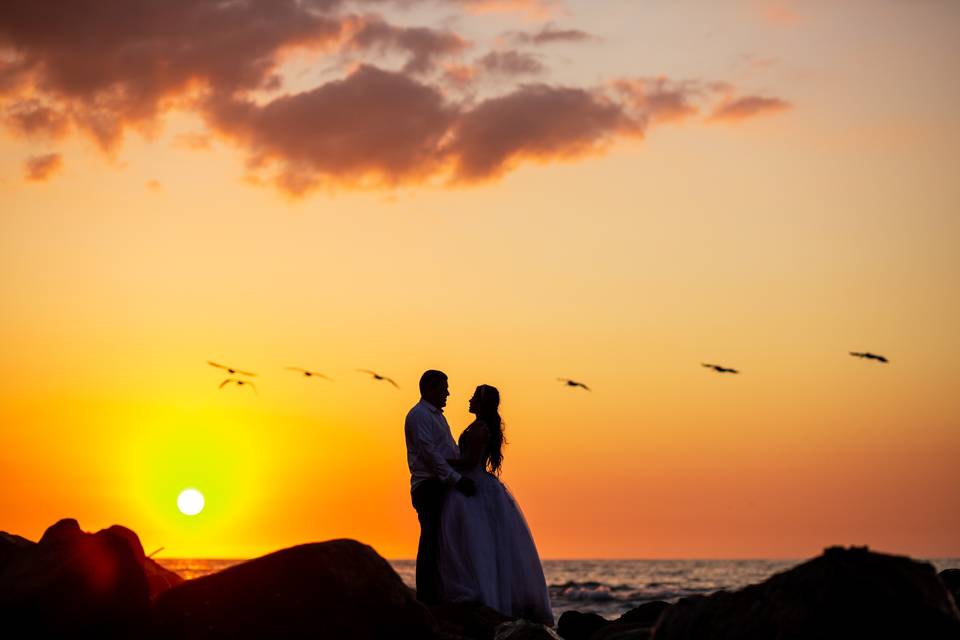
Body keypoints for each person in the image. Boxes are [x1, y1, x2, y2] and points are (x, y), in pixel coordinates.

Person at [438, 384, 554, 625]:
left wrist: (438, 460)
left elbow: (470, 462)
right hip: (473, 484)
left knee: (476, 541)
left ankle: (483, 595)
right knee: (472, 540)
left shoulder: (480, 428)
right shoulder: (479, 426)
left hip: (474, 486)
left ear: (481, 403)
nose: (468, 399)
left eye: (473, 397)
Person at [405, 369, 476, 604]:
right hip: (428, 486)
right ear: (429, 389)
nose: (448, 393)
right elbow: (429, 453)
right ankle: (427, 598)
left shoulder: (437, 416)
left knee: (442, 540)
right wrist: (456, 479)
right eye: (443, 388)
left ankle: (438, 592)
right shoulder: (418, 416)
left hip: (442, 484)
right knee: (431, 540)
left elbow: (449, 451)